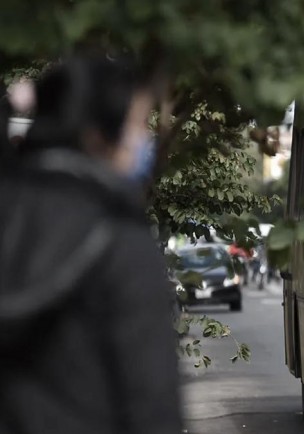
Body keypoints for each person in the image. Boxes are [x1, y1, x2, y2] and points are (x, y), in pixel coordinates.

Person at [0, 56, 181, 434]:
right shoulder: (121, 243)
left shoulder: (11, 214)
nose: (144, 140)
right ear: (96, 135)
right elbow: (152, 404)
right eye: (136, 125)